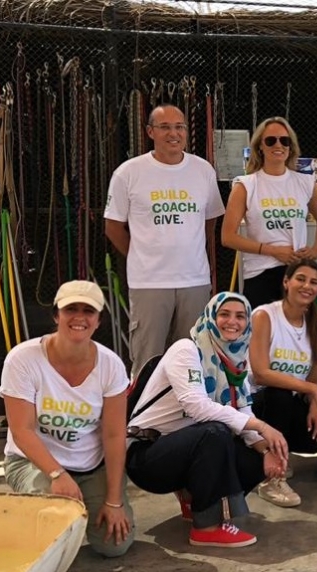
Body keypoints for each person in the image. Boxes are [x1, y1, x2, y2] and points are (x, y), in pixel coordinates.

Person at [126, 292, 291, 548]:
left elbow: (243, 410)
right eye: (224, 314)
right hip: (147, 455)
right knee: (215, 432)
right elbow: (197, 407)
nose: (232, 322)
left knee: (253, 456)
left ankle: (195, 499)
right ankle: (206, 526)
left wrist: (266, 450)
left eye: (240, 316)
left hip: (185, 449)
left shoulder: (236, 359)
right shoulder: (186, 349)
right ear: (210, 316)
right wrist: (262, 427)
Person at [1, 280, 134, 557]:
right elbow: (22, 430)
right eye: (71, 309)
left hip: (90, 465)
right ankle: (32, 509)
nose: (79, 317)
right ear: (56, 315)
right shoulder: (22, 359)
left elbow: (114, 435)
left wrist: (114, 501)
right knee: (50, 534)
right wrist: (57, 474)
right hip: (33, 463)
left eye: (88, 311)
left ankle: (84, 506)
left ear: (98, 321)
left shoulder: (111, 365)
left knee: (114, 545)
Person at [104, 104, 225, 375]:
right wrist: (141, 255)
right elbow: (113, 227)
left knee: (193, 361)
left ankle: (190, 405)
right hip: (149, 282)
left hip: (194, 280)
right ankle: (142, 405)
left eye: (179, 127)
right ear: (150, 132)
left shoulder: (203, 170)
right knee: (148, 362)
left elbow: (210, 220)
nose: (174, 133)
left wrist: (192, 250)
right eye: (165, 127)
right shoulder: (128, 172)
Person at [249, 260, 317, 507]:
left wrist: (315, 403)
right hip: (255, 404)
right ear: (286, 282)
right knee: (280, 393)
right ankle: (271, 479)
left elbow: (315, 376)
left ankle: (278, 455)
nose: (307, 286)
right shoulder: (265, 315)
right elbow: (260, 373)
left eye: (314, 282)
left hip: (288, 403)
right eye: (301, 279)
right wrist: (312, 390)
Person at [220, 116, 317, 307]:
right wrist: (272, 251)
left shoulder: (305, 182)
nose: (278, 145)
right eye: (271, 140)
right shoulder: (245, 185)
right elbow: (227, 237)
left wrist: (315, 250)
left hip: (297, 272)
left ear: (291, 146)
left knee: (297, 326)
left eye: (284, 140)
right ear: (260, 147)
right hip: (260, 274)